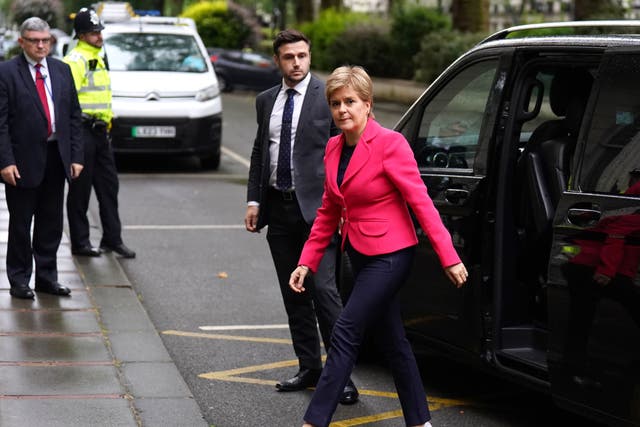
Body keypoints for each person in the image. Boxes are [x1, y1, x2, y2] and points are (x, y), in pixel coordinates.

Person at [289, 66, 469, 427]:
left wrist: (448, 257)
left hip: (391, 255)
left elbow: (421, 203)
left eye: (351, 102)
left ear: (368, 105)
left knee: (345, 331)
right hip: (358, 253)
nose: (342, 110)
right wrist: (306, 262)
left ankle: (314, 422)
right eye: (336, 103)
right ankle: (420, 422)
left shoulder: (391, 144)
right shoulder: (333, 148)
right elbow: (328, 211)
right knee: (394, 340)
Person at [244, 29, 358, 404]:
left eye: (302, 56)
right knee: (293, 294)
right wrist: (254, 201)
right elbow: (262, 150)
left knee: (324, 291)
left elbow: (346, 153)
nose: (296, 63)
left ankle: (342, 375)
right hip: (279, 209)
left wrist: (343, 205)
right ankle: (310, 366)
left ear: (310, 57)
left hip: (320, 213)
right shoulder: (265, 101)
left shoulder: (328, 97)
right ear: (277, 60)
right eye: (289, 57)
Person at [0, 17, 84, 299]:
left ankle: (47, 278)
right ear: (22, 42)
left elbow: (73, 115)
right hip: (21, 161)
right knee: (21, 224)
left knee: (51, 222)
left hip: (56, 157)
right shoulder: (7, 73)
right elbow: (0, 123)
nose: (40, 45)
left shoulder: (61, 70)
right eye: (34, 40)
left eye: (45, 40)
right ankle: (20, 280)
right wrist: (5, 161)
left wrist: (76, 155)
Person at [64, 8, 135, 259]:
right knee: (80, 191)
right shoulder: (76, 60)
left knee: (109, 187)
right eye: (94, 33)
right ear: (82, 35)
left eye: (99, 31)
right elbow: (67, 101)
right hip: (82, 132)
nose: (99, 36)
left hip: (101, 133)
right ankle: (81, 243)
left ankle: (112, 239)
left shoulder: (98, 56)